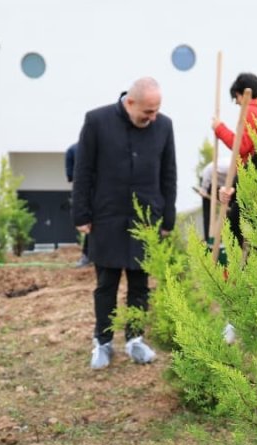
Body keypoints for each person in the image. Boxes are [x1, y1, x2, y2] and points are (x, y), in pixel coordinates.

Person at [73, 76, 176, 370]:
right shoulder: (97, 121)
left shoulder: (164, 126)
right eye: (147, 111)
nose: (152, 117)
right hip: (107, 217)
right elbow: (84, 171)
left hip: (146, 218)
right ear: (130, 102)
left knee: (140, 285)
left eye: (156, 111)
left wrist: (167, 217)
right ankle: (102, 343)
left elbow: (168, 174)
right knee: (106, 284)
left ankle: (135, 340)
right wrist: (81, 215)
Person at [212, 72, 257, 250]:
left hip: (252, 178)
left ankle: (238, 266)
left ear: (240, 94)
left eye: (236, 100)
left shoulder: (250, 111)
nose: (238, 105)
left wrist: (219, 129)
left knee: (236, 222)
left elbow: (242, 146)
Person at [65, 142, 92, 268]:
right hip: (101, 192)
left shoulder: (72, 149)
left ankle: (87, 256)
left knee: (90, 225)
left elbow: (70, 177)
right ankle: (88, 256)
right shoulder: (73, 150)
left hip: (85, 192)